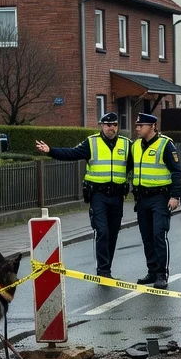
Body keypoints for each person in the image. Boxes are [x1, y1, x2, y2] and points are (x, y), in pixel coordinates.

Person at [35, 112, 129, 278]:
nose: (112, 128)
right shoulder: (92, 142)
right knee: (102, 231)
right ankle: (103, 271)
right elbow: (72, 153)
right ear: (102, 126)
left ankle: (107, 267)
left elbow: (137, 164)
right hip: (98, 195)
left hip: (117, 195)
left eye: (115, 125)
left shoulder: (126, 144)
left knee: (113, 233)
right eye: (108, 125)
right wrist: (51, 151)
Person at [129, 113, 181, 289]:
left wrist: (175, 196)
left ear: (153, 126)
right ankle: (152, 271)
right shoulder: (136, 145)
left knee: (159, 235)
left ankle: (161, 274)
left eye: (141, 125)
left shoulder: (165, 144)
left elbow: (176, 171)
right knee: (147, 237)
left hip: (160, 198)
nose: (138, 128)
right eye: (137, 125)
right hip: (142, 198)